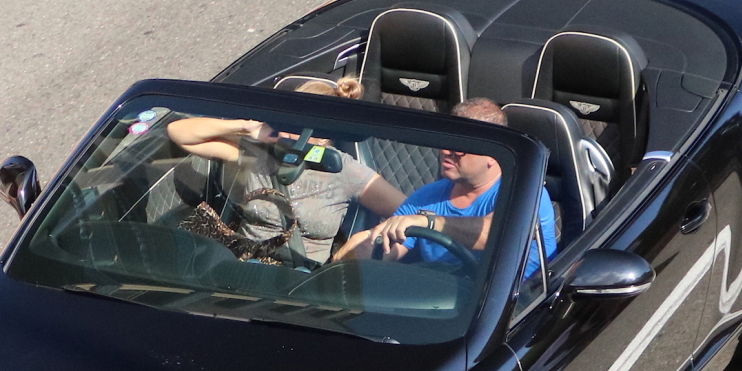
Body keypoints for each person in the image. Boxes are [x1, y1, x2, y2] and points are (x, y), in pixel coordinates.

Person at [162, 79, 404, 262]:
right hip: (242, 269)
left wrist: (360, 244)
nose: (287, 132)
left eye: (297, 125)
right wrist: (245, 127)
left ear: (322, 132)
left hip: (300, 284)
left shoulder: (344, 169)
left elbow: (409, 210)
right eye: (286, 120)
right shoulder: (259, 153)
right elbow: (179, 132)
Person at [332, 98, 558, 277]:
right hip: (446, 304)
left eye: (461, 147)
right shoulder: (428, 197)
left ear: (493, 153)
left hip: (516, 308)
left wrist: (428, 222)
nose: (447, 151)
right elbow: (389, 246)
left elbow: (498, 233)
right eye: (447, 141)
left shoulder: (525, 193)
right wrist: (350, 258)